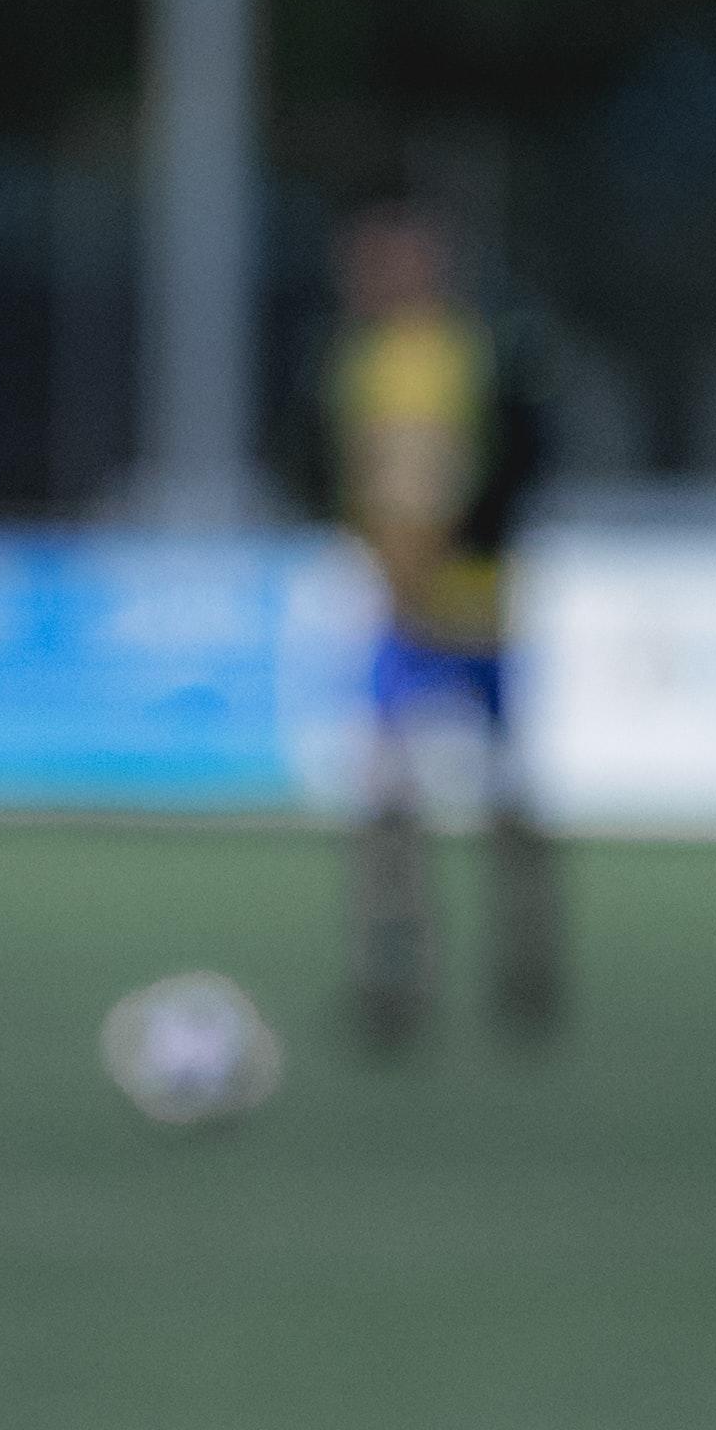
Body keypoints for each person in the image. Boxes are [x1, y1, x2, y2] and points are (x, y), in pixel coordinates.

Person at [296, 199, 561, 1051]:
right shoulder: (353, 361)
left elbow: (522, 460)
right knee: (386, 796)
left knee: (508, 796)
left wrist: (456, 540)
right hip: (399, 613)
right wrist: (376, 553)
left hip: (481, 604)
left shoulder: (479, 353)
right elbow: (333, 469)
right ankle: (393, 975)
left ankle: (529, 962)